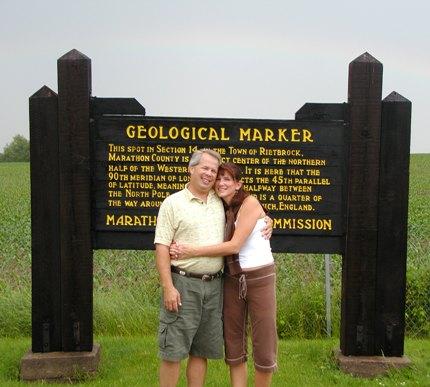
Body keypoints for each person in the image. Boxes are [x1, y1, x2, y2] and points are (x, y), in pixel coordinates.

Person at [170, 162, 277, 387]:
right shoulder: (219, 204)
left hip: (259, 278)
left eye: (227, 179)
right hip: (231, 279)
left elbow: (234, 246)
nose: (221, 183)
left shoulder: (250, 202)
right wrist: (269, 219)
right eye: (219, 178)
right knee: (234, 342)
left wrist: (191, 250)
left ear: (239, 184)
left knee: (264, 340)